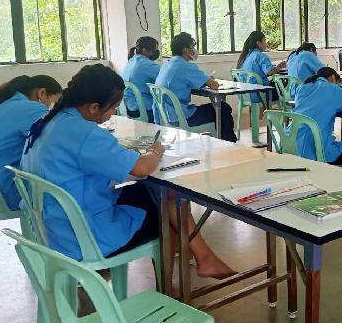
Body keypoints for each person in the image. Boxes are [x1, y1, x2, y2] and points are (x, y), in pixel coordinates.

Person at [21, 64, 235, 279]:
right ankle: (179, 280)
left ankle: (204, 258)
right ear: (94, 107)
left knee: (160, 193)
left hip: (56, 228)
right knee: (165, 207)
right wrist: (155, 150)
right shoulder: (84, 133)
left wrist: (126, 155)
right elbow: (141, 168)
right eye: (113, 108)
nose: (113, 113)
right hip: (84, 234)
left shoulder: (48, 122)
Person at [0, 75, 62, 211]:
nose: (51, 109)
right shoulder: (32, 109)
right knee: (63, 187)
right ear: (42, 93)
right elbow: (60, 141)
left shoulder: (2, 106)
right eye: (54, 103)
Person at [155, 32, 238, 142]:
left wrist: (204, 80)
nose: (194, 50)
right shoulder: (185, 66)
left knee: (219, 109)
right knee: (223, 108)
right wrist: (209, 80)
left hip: (166, 115)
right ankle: (230, 142)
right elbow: (214, 85)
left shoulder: (167, 64)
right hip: (182, 116)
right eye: (192, 47)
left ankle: (222, 141)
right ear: (185, 50)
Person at [293, 67, 342, 170]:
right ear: (333, 78)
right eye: (337, 82)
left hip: (292, 142)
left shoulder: (302, 87)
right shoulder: (332, 89)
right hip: (314, 148)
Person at [237, 30, 285, 103]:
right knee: (285, 88)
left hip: (244, 94)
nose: (266, 44)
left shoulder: (245, 56)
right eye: (264, 41)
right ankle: (286, 109)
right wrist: (279, 67)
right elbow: (270, 72)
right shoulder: (260, 55)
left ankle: (259, 110)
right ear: (258, 43)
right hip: (259, 93)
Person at [121, 36, 160, 122]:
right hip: (140, 108)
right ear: (144, 50)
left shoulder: (131, 60)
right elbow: (164, 76)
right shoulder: (146, 64)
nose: (156, 52)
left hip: (125, 106)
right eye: (154, 50)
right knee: (168, 109)